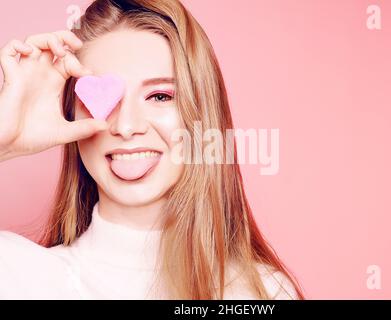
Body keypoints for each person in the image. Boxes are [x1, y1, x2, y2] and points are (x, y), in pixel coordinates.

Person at [0, 0, 303, 299]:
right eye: (106, 98)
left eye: (159, 96)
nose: (127, 126)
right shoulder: (17, 275)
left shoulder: (262, 292)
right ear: (71, 115)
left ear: (202, 112)